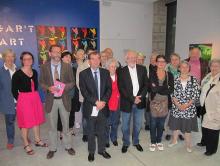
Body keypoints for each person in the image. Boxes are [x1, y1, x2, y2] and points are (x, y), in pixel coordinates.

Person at [39, 45, 75, 159]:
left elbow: (72, 82)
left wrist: (63, 87)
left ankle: (68, 146)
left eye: (59, 52)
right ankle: (52, 148)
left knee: (66, 125)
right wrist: (49, 88)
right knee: (52, 127)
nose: (57, 54)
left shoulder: (67, 66)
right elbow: (41, 82)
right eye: (54, 52)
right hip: (51, 100)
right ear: (50, 54)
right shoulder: (44, 67)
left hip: (64, 99)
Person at [79, 51, 112, 162]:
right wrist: (96, 102)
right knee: (91, 131)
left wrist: (103, 102)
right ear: (89, 61)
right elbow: (84, 92)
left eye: (98, 58)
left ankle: (102, 150)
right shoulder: (83, 74)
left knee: (102, 130)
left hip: (103, 107)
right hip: (91, 107)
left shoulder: (105, 73)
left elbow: (109, 89)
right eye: (93, 59)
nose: (96, 61)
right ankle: (91, 152)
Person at [12, 52, 46, 155]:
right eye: (25, 59)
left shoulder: (35, 72)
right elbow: (14, 90)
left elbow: (36, 86)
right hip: (24, 99)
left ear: (32, 60)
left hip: (35, 98)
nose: (28, 60)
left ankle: (37, 140)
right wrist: (21, 101)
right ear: (22, 60)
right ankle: (26, 144)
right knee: (25, 123)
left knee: (36, 120)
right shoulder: (17, 74)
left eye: (30, 58)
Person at [118, 50, 149, 153]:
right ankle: (126, 142)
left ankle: (136, 142)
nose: (132, 59)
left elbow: (146, 84)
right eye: (130, 57)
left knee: (138, 125)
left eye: (134, 57)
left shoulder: (143, 69)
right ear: (126, 59)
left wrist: (141, 97)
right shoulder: (121, 71)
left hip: (140, 102)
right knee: (125, 125)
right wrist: (132, 98)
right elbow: (121, 88)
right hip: (127, 102)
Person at [168, 61, 200, 153]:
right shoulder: (175, 79)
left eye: (186, 67)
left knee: (187, 128)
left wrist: (186, 105)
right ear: (179, 68)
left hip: (189, 109)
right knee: (176, 126)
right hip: (176, 107)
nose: (184, 69)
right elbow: (172, 94)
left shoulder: (194, 80)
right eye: (182, 67)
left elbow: (195, 95)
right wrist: (178, 104)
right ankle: (174, 140)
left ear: (189, 68)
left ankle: (188, 144)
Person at [149, 55, 174, 152]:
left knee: (161, 123)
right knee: (153, 123)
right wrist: (164, 88)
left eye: (163, 61)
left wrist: (158, 88)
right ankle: (153, 142)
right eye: (159, 61)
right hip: (154, 102)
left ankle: (159, 141)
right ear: (156, 62)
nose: (161, 63)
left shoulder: (169, 75)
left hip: (165, 103)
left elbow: (170, 90)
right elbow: (153, 89)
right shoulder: (152, 74)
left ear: (165, 63)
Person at [199, 59, 220, 156]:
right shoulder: (209, 77)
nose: (214, 68)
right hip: (205, 107)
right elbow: (203, 88)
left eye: (217, 66)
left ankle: (212, 149)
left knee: (213, 129)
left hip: (215, 109)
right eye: (212, 66)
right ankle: (205, 142)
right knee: (205, 127)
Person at [57, 51, 80, 138]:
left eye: (69, 57)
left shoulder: (74, 69)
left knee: (71, 112)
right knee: (60, 113)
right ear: (62, 58)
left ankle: (70, 127)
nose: (68, 58)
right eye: (66, 57)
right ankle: (61, 130)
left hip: (73, 95)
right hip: (62, 96)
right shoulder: (58, 69)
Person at [76, 49, 95, 142]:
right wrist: (88, 95)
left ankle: (93, 131)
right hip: (85, 98)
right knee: (86, 117)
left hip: (96, 98)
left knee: (95, 115)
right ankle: (86, 134)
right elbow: (78, 83)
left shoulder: (97, 66)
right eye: (90, 55)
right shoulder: (81, 67)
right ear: (87, 56)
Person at [165, 53, 184, 141]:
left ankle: (179, 132)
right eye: (172, 59)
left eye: (176, 59)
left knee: (180, 115)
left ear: (179, 60)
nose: (174, 61)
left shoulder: (183, 69)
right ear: (170, 60)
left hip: (181, 96)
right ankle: (168, 132)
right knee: (169, 115)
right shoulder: (166, 69)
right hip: (169, 96)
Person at [0, 49, 17, 150]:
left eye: (12, 56)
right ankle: (10, 140)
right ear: (4, 58)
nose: (10, 58)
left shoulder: (19, 69)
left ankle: (24, 136)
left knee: (23, 121)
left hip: (21, 101)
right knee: (10, 122)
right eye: (8, 56)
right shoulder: (1, 71)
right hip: (8, 101)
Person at [105, 58, 120, 147]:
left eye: (115, 67)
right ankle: (106, 140)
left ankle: (113, 138)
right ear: (107, 68)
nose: (113, 68)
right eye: (111, 66)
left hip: (117, 103)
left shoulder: (119, 76)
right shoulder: (105, 77)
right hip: (107, 103)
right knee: (106, 124)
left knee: (115, 123)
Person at [144, 52, 158, 131]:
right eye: (151, 59)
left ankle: (157, 123)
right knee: (148, 109)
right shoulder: (145, 68)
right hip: (148, 91)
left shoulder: (160, 68)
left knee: (157, 109)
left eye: (155, 59)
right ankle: (148, 123)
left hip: (157, 92)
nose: (153, 60)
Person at [73, 49, 85, 128]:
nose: (82, 55)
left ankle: (83, 121)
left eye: (83, 53)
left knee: (84, 105)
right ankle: (77, 121)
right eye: (80, 53)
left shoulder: (86, 65)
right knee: (76, 105)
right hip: (74, 88)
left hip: (83, 89)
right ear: (75, 55)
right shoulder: (73, 66)